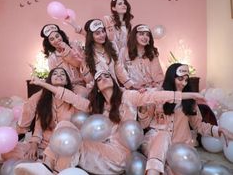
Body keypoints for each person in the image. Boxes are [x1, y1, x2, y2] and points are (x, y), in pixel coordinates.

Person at [14, 69, 207, 175]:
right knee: (66, 126)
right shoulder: (94, 106)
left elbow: (157, 96)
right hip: (96, 154)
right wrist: (43, 84)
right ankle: (47, 167)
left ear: (114, 81)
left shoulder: (129, 97)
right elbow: (69, 96)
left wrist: (189, 94)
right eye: (99, 78)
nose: (103, 78)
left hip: (118, 157)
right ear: (97, 87)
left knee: (76, 139)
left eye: (107, 75)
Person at [138, 63, 233, 175]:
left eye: (186, 80)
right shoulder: (158, 95)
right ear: (171, 78)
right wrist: (143, 106)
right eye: (180, 79)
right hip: (155, 142)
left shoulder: (190, 101)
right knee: (162, 136)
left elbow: (198, 125)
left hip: (179, 147)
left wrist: (219, 130)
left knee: (175, 169)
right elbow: (144, 124)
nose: (184, 83)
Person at [2, 68, 87, 162]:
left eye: (62, 74)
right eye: (55, 74)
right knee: (10, 151)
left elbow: (85, 107)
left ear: (67, 81)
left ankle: (49, 162)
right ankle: (44, 160)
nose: (59, 75)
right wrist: (33, 146)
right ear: (50, 80)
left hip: (66, 144)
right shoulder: (44, 102)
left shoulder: (73, 99)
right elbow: (39, 128)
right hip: (45, 145)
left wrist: (42, 84)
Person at [80, 19, 134, 89]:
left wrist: (130, 85)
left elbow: (119, 69)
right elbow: (89, 79)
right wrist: (83, 65)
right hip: (100, 91)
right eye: (97, 33)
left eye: (103, 31)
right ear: (90, 36)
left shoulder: (112, 46)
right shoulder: (87, 54)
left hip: (115, 89)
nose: (102, 35)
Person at [40, 24, 87, 97]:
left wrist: (66, 49)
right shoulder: (52, 58)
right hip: (64, 87)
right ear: (49, 43)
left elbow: (80, 64)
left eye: (57, 36)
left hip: (81, 84)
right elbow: (54, 79)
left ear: (61, 35)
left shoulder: (74, 45)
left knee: (81, 96)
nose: (56, 40)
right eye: (52, 39)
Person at [119, 24, 164, 90]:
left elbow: (158, 76)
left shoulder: (151, 53)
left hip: (150, 90)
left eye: (147, 35)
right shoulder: (124, 51)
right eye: (141, 34)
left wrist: (156, 88)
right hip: (132, 90)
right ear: (134, 36)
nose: (145, 37)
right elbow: (120, 72)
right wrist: (131, 86)